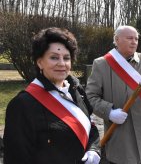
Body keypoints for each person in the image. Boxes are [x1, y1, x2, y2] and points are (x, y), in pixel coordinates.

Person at [3, 27, 101, 164]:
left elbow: (91, 127)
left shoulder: (77, 90)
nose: (62, 63)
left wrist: (94, 150)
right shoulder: (22, 104)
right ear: (39, 62)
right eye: (54, 57)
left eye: (66, 58)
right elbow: (16, 158)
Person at [85, 25, 141, 164]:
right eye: (129, 38)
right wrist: (109, 112)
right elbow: (90, 97)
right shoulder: (101, 64)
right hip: (120, 133)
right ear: (117, 40)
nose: (134, 42)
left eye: (136, 39)